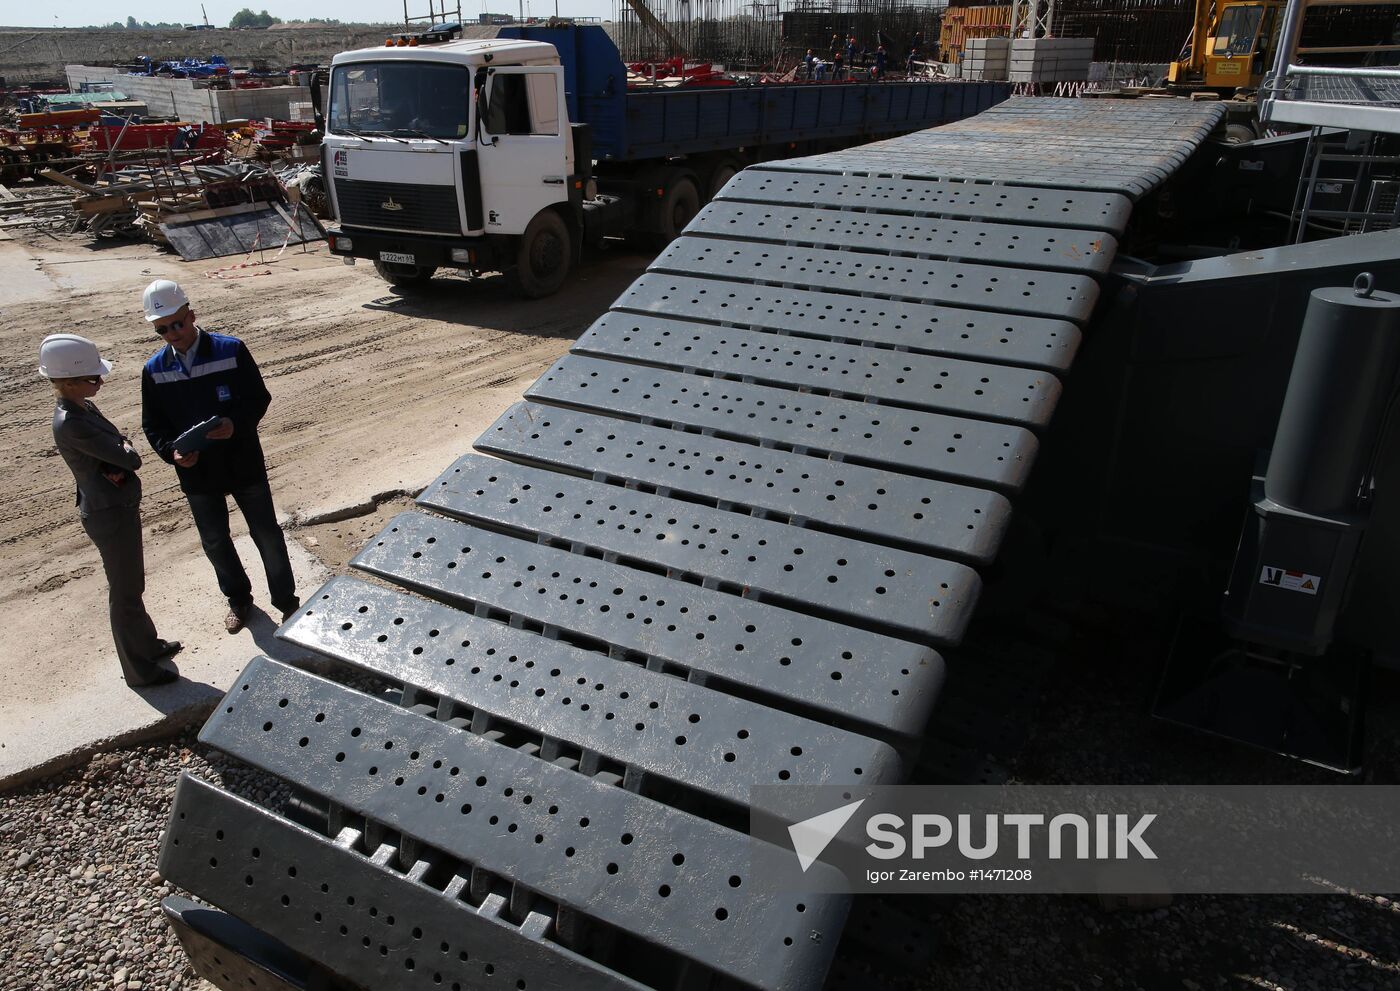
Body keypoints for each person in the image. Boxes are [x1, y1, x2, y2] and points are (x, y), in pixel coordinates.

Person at [139, 279, 299, 634]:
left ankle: (287, 603)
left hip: (242, 463)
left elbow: (258, 398)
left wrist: (234, 424)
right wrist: (173, 453)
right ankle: (238, 599)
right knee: (214, 541)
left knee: (266, 534)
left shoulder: (230, 350)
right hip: (198, 474)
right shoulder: (154, 370)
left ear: (191, 314)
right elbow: (153, 425)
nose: (172, 334)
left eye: (177, 324)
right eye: (162, 329)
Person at [41, 334, 181, 688]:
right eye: (92, 378)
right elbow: (129, 456)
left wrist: (120, 446)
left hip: (115, 507)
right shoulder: (70, 421)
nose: (100, 382)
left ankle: (148, 645)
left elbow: (118, 447)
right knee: (125, 594)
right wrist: (125, 446)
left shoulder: (81, 408)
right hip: (108, 512)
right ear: (68, 381)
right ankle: (140, 671)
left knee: (133, 585)